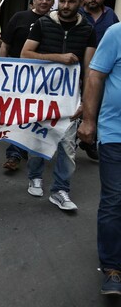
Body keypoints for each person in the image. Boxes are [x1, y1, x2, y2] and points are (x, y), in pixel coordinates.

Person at [20, 0, 97, 211]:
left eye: (71, 1)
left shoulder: (88, 30)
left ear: (80, 3)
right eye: (62, 1)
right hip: (42, 95)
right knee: (38, 137)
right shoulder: (42, 24)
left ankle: (60, 189)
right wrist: (59, 58)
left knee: (67, 146)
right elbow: (26, 54)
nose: (65, 6)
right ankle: (35, 176)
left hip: (70, 98)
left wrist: (86, 102)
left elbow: (90, 68)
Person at [77, 22, 121, 296]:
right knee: (115, 198)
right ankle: (112, 267)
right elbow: (95, 76)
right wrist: (89, 121)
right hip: (115, 132)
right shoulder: (116, 33)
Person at [0, 0, 55, 171]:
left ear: (53, 2)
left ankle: (30, 149)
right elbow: (5, 45)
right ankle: (14, 154)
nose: (44, 2)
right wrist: (0, 70)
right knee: (20, 114)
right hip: (18, 77)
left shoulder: (56, 22)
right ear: (34, 0)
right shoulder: (19, 18)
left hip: (45, 80)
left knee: (37, 116)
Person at [77, 0, 120, 160]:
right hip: (78, 67)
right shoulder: (77, 13)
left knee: (98, 103)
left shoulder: (111, 16)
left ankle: (90, 140)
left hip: (104, 70)